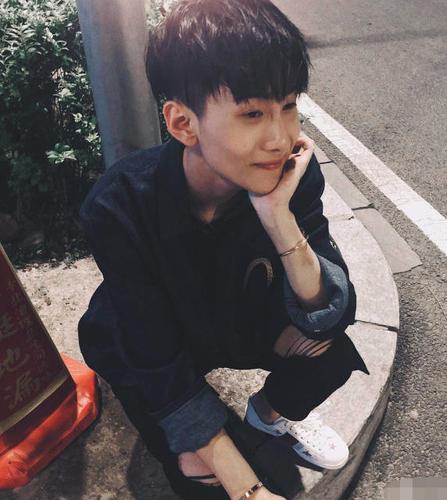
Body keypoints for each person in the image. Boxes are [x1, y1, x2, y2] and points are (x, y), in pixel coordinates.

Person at [78, 0, 369, 498]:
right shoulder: (119, 205)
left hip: (237, 315)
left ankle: (268, 415)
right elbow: (153, 349)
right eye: (253, 113)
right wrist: (249, 489)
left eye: (289, 105)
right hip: (153, 341)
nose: (280, 138)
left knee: (329, 351)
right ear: (183, 124)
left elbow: (334, 312)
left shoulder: (292, 177)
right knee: (202, 475)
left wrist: (278, 218)